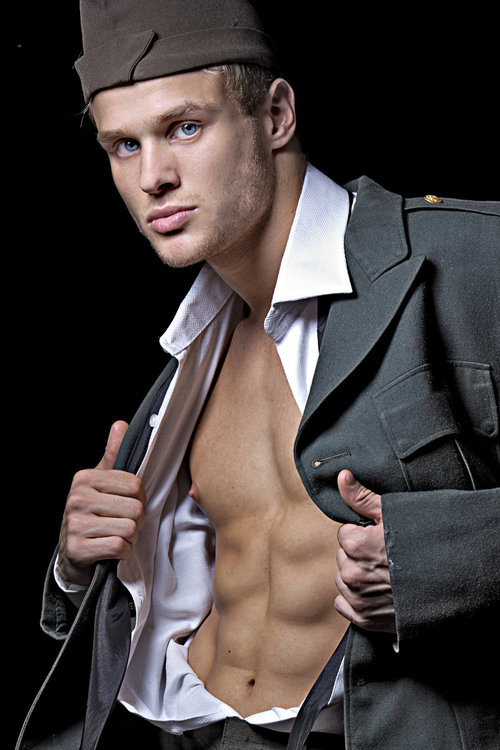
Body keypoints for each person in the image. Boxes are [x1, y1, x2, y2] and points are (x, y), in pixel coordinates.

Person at [17, 1, 499, 749]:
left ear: (275, 116)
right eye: (124, 145)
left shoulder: (467, 261)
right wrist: (77, 565)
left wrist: (441, 560)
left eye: (185, 128)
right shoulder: (191, 354)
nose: (153, 178)